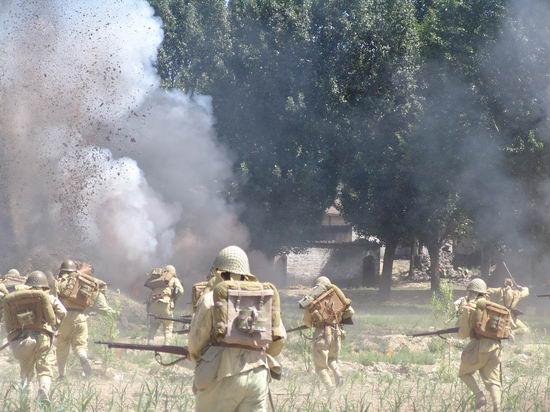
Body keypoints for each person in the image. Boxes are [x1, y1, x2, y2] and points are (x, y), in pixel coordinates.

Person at [188, 246, 286, 412]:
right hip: (258, 377)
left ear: (218, 271)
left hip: (222, 375)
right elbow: (278, 340)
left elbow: (196, 344)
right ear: (246, 274)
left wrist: (198, 360)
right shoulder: (261, 299)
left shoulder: (210, 299)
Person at [2, 271, 66, 405]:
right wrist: (55, 325)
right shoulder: (48, 297)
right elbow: (62, 312)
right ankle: (43, 390)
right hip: (44, 337)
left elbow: (9, 322)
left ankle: (24, 402)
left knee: (25, 371)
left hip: (24, 338)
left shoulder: (17, 299)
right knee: (45, 368)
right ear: (44, 285)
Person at [56, 259, 114, 379]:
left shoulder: (63, 280)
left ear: (63, 270)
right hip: (81, 317)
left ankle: (62, 375)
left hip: (64, 317)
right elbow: (98, 302)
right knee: (80, 345)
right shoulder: (85, 282)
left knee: (62, 347)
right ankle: (82, 356)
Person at [457, 278, 503, 412]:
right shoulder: (491, 306)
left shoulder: (470, 307)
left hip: (480, 347)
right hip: (496, 347)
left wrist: (462, 319)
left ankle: (479, 396)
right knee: (493, 382)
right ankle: (497, 408)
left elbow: (463, 334)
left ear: (472, 292)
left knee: (464, 373)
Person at [300, 276, 354, 390]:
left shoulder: (312, 301)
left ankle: (330, 389)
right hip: (336, 333)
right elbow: (350, 312)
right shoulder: (337, 297)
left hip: (321, 335)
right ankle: (338, 374)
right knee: (332, 360)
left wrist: (315, 322)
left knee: (320, 367)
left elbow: (307, 322)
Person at [145, 265, 184, 343]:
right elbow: (181, 291)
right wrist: (174, 297)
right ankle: (167, 347)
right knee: (168, 327)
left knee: (153, 327)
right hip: (166, 305)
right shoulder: (173, 279)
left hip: (153, 306)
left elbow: (150, 295)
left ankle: (149, 345)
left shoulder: (158, 280)